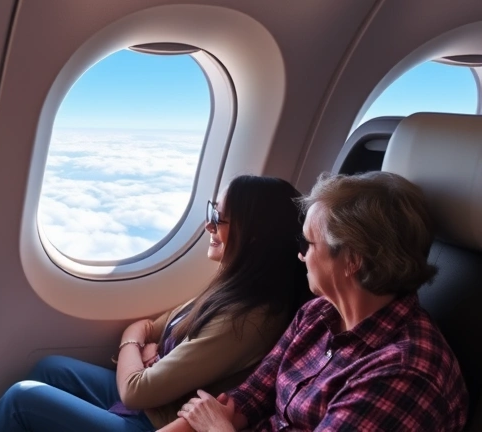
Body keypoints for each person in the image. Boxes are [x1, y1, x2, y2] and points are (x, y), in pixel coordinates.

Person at [0, 175, 312, 432]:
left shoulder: (248, 318)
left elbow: (137, 391)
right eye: (213, 210)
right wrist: (138, 343)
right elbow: (151, 326)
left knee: (24, 398)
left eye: (220, 218)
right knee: (49, 368)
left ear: (253, 235)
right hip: (156, 399)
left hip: (156, 421)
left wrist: (134, 344)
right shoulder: (233, 285)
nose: (208, 224)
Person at [175, 171, 468, 432]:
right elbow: (250, 397)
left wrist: (216, 428)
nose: (301, 256)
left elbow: (217, 420)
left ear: (352, 260)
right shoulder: (318, 313)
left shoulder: (404, 374)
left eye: (308, 243)